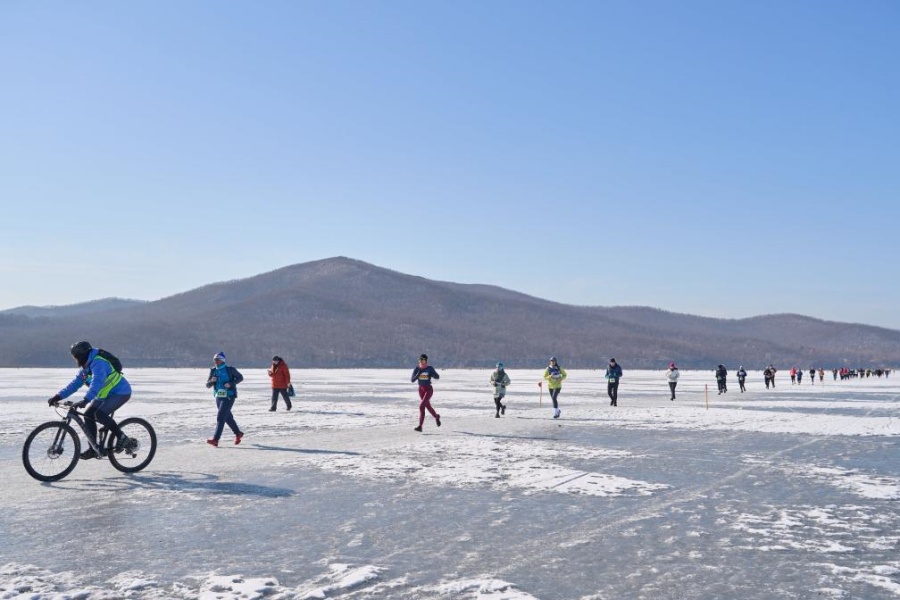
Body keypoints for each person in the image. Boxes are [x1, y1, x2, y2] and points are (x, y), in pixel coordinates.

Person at [47, 341, 134, 460]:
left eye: (76, 356)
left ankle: (122, 438)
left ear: (83, 355)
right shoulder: (85, 368)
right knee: (88, 415)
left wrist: (86, 400)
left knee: (99, 414)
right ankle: (93, 449)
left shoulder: (99, 363)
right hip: (104, 395)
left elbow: (96, 383)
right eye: (74, 357)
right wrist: (58, 396)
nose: (75, 359)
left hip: (120, 392)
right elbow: (74, 384)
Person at [205, 352, 245, 447]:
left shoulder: (230, 369)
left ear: (222, 360)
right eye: (214, 359)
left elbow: (240, 378)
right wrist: (212, 381)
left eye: (217, 359)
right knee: (227, 417)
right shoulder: (213, 370)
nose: (215, 361)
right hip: (218, 397)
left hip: (229, 396)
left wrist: (231, 383)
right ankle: (238, 433)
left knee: (220, 417)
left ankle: (216, 439)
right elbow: (208, 385)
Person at [411, 354, 441, 432]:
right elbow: (412, 380)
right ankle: (436, 416)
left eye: (423, 360)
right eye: (420, 360)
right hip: (421, 389)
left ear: (426, 361)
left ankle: (420, 426)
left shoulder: (429, 368)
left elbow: (437, 376)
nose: (421, 361)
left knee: (421, 406)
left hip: (428, 389)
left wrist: (432, 374)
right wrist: (418, 374)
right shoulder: (417, 369)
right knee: (428, 406)